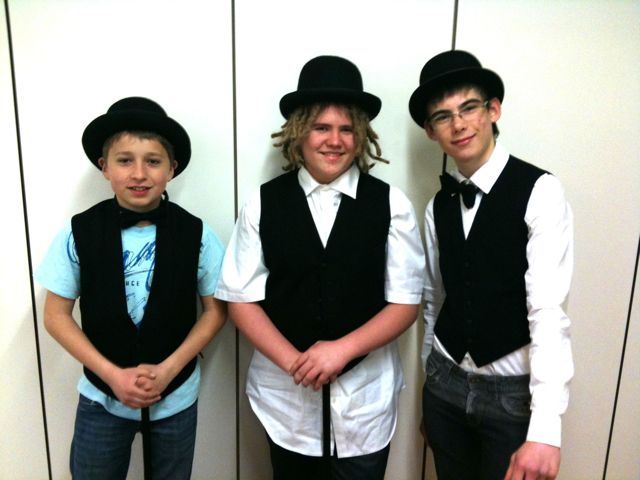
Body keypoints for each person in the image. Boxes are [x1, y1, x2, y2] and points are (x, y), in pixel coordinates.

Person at [215, 55, 425, 480]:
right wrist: (295, 362)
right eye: (321, 127)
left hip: (365, 401)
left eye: (347, 129)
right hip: (286, 402)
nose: (335, 140)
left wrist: (341, 350)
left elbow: (405, 303)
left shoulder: (391, 204)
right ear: (299, 133)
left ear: (360, 136)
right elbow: (241, 298)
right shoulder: (262, 203)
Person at [35, 97, 226, 480]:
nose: (139, 174)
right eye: (125, 161)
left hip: (175, 397)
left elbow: (216, 310)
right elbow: (55, 316)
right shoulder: (78, 232)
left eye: (153, 161)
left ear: (171, 168)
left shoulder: (198, 234)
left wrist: (169, 369)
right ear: (104, 167)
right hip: (101, 398)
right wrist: (111, 374)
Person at [409, 50, 574, 480]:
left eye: (469, 108)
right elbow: (435, 301)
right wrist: (430, 384)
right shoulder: (436, 207)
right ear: (430, 131)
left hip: (511, 399)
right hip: (444, 386)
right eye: (443, 116)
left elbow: (548, 311)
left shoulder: (541, 191)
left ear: (493, 110)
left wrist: (546, 429)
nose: (459, 124)